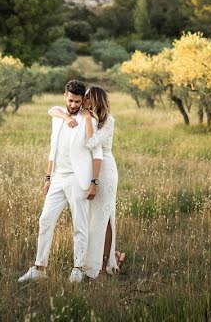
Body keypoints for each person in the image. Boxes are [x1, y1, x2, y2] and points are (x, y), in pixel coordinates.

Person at [18, 80, 100, 283]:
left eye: (77, 102)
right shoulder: (58, 117)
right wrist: (48, 178)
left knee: (79, 225)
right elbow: (52, 149)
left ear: (83, 101)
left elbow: (96, 151)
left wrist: (93, 182)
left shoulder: (89, 119)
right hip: (58, 178)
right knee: (45, 220)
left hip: (78, 179)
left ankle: (78, 269)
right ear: (65, 95)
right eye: (71, 100)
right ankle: (39, 268)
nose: (73, 105)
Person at [49, 85, 125, 279]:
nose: (83, 101)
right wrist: (69, 117)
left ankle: (103, 263)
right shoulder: (88, 116)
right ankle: (93, 260)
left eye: (87, 98)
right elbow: (53, 110)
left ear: (95, 100)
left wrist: (86, 120)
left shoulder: (108, 121)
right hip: (89, 169)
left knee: (105, 217)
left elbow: (91, 143)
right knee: (91, 218)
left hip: (105, 170)